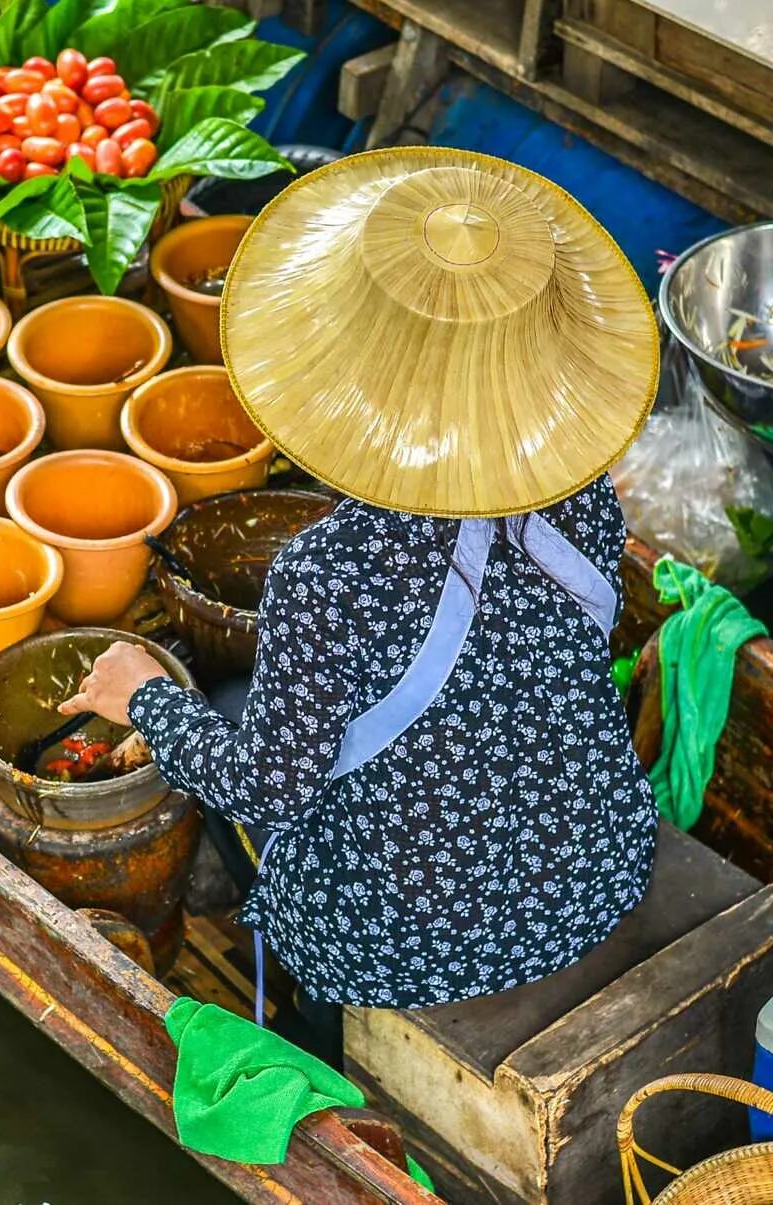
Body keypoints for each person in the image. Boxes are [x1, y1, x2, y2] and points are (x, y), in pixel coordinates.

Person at [63, 148, 662, 1013]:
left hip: (403, 944)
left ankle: (317, 1024)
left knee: (225, 714)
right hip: (593, 871)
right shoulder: (582, 498)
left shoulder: (324, 574)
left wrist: (144, 696)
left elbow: (269, 787)